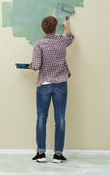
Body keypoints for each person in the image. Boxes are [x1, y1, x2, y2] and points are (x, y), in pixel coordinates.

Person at [29, 16, 74, 163]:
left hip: (44, 85)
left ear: (43, 28)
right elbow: (70, 37)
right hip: (61, 84)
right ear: (55, 28)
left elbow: (36, 66)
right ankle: (58, 155)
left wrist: (30, 65)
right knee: (60, 118)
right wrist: (66, 25)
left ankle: (41, 153)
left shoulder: (39, 44)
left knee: (41, 118)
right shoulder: (62, 41)